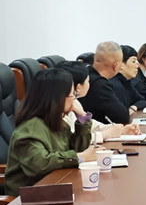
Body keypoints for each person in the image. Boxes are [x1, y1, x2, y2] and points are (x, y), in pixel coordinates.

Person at [4, 68, 98, 196]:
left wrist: (82, 119)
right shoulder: (29, 129)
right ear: (58, 98)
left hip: (53, 187)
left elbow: (78, 148)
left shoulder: (57, 122)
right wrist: (80, 157)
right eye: (73, 94)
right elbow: (40, 164)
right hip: (28, 197)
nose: (74, 100)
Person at [58, 60, 142, 144]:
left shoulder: (75, 102)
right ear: (78, 87)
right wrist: (106, 134)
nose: (89, 84)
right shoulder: (60, 108)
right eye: (88, 81)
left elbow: (92, 126)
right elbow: (73, 141)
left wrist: (119, 130)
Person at [78, 41, 130, 124]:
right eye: (121, 63)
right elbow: (123, 116)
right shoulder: (99, 85)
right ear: (115, 65)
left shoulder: (85, 74)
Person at [108, 45, 146, 115]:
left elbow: (142, 100)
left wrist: (133, 107)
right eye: (133, 61)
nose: (137, 66)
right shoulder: (113, 85)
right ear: (121, 65)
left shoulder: (126, 83)